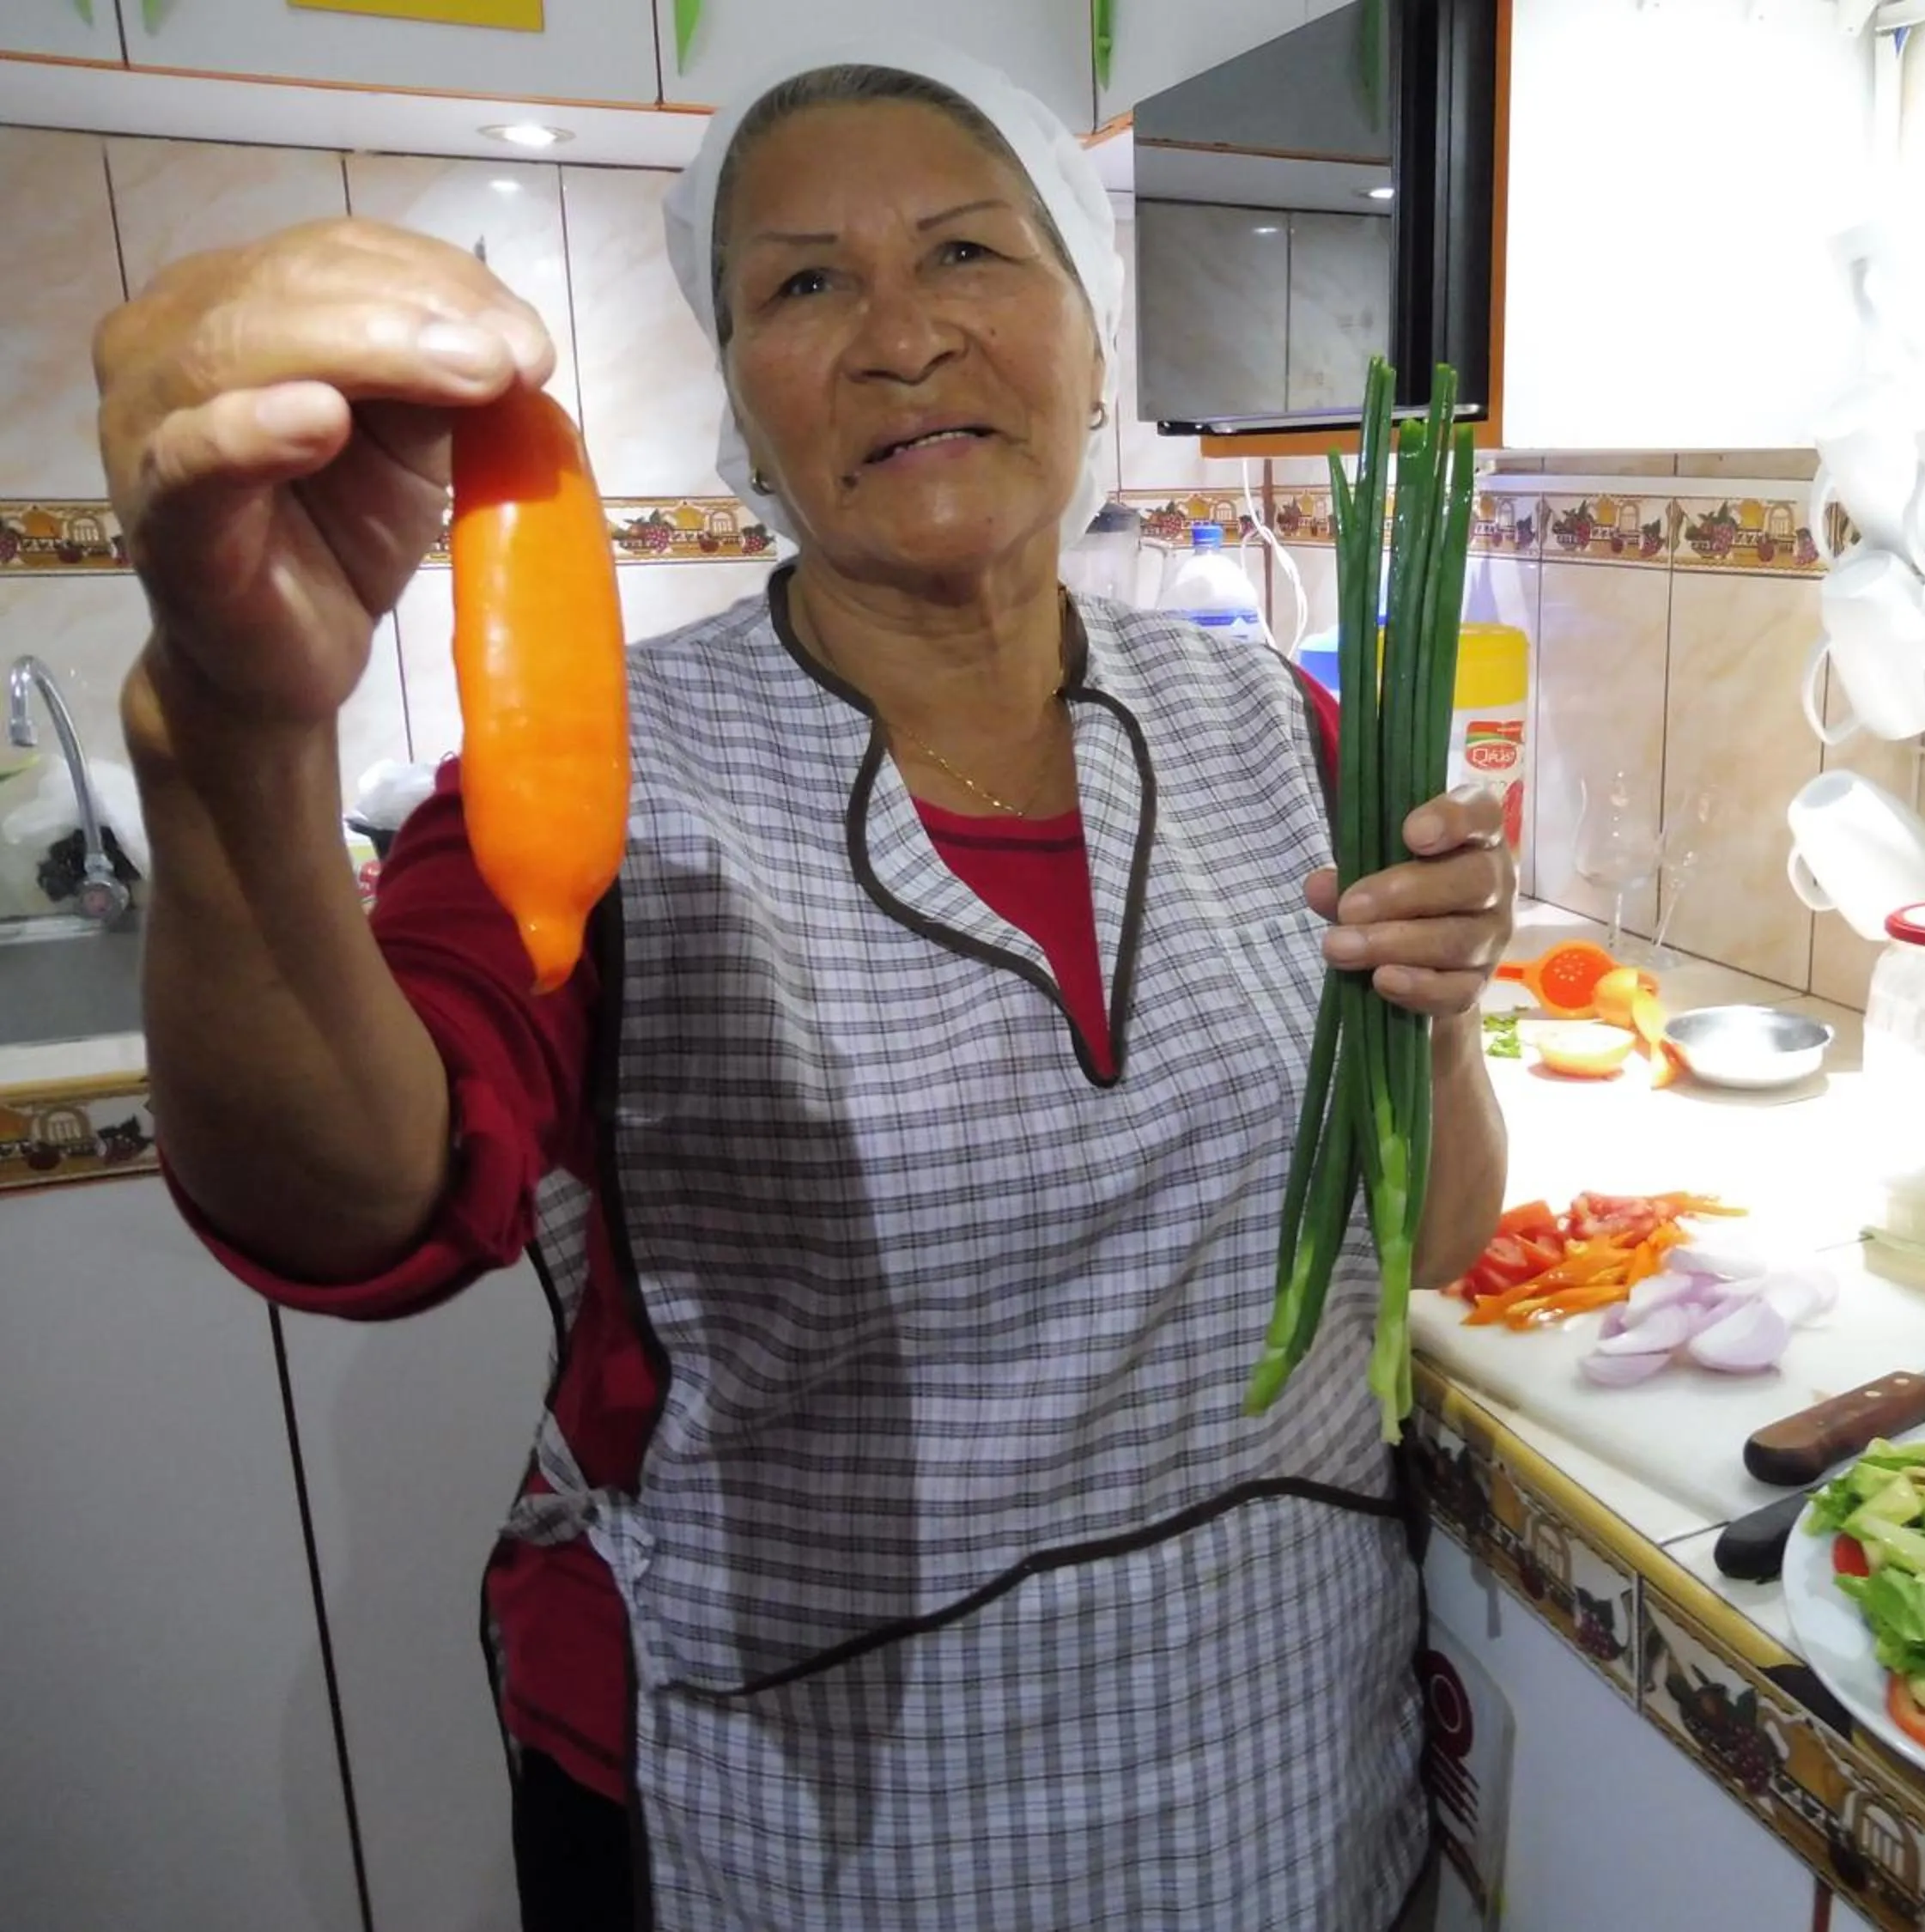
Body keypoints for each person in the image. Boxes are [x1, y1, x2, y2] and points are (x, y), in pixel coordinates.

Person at [94, 37, 1513, 1932]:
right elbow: (357, 1213)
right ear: (743, 416)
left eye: (970, 256)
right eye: (806, 285)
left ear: (1095, 338)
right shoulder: (598, 780)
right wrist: (233, 749)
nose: (903, 337)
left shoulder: (1281, 718)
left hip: (1277, 1758)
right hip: (811, 1805)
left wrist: (1451, 1012)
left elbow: (1423, 1246)